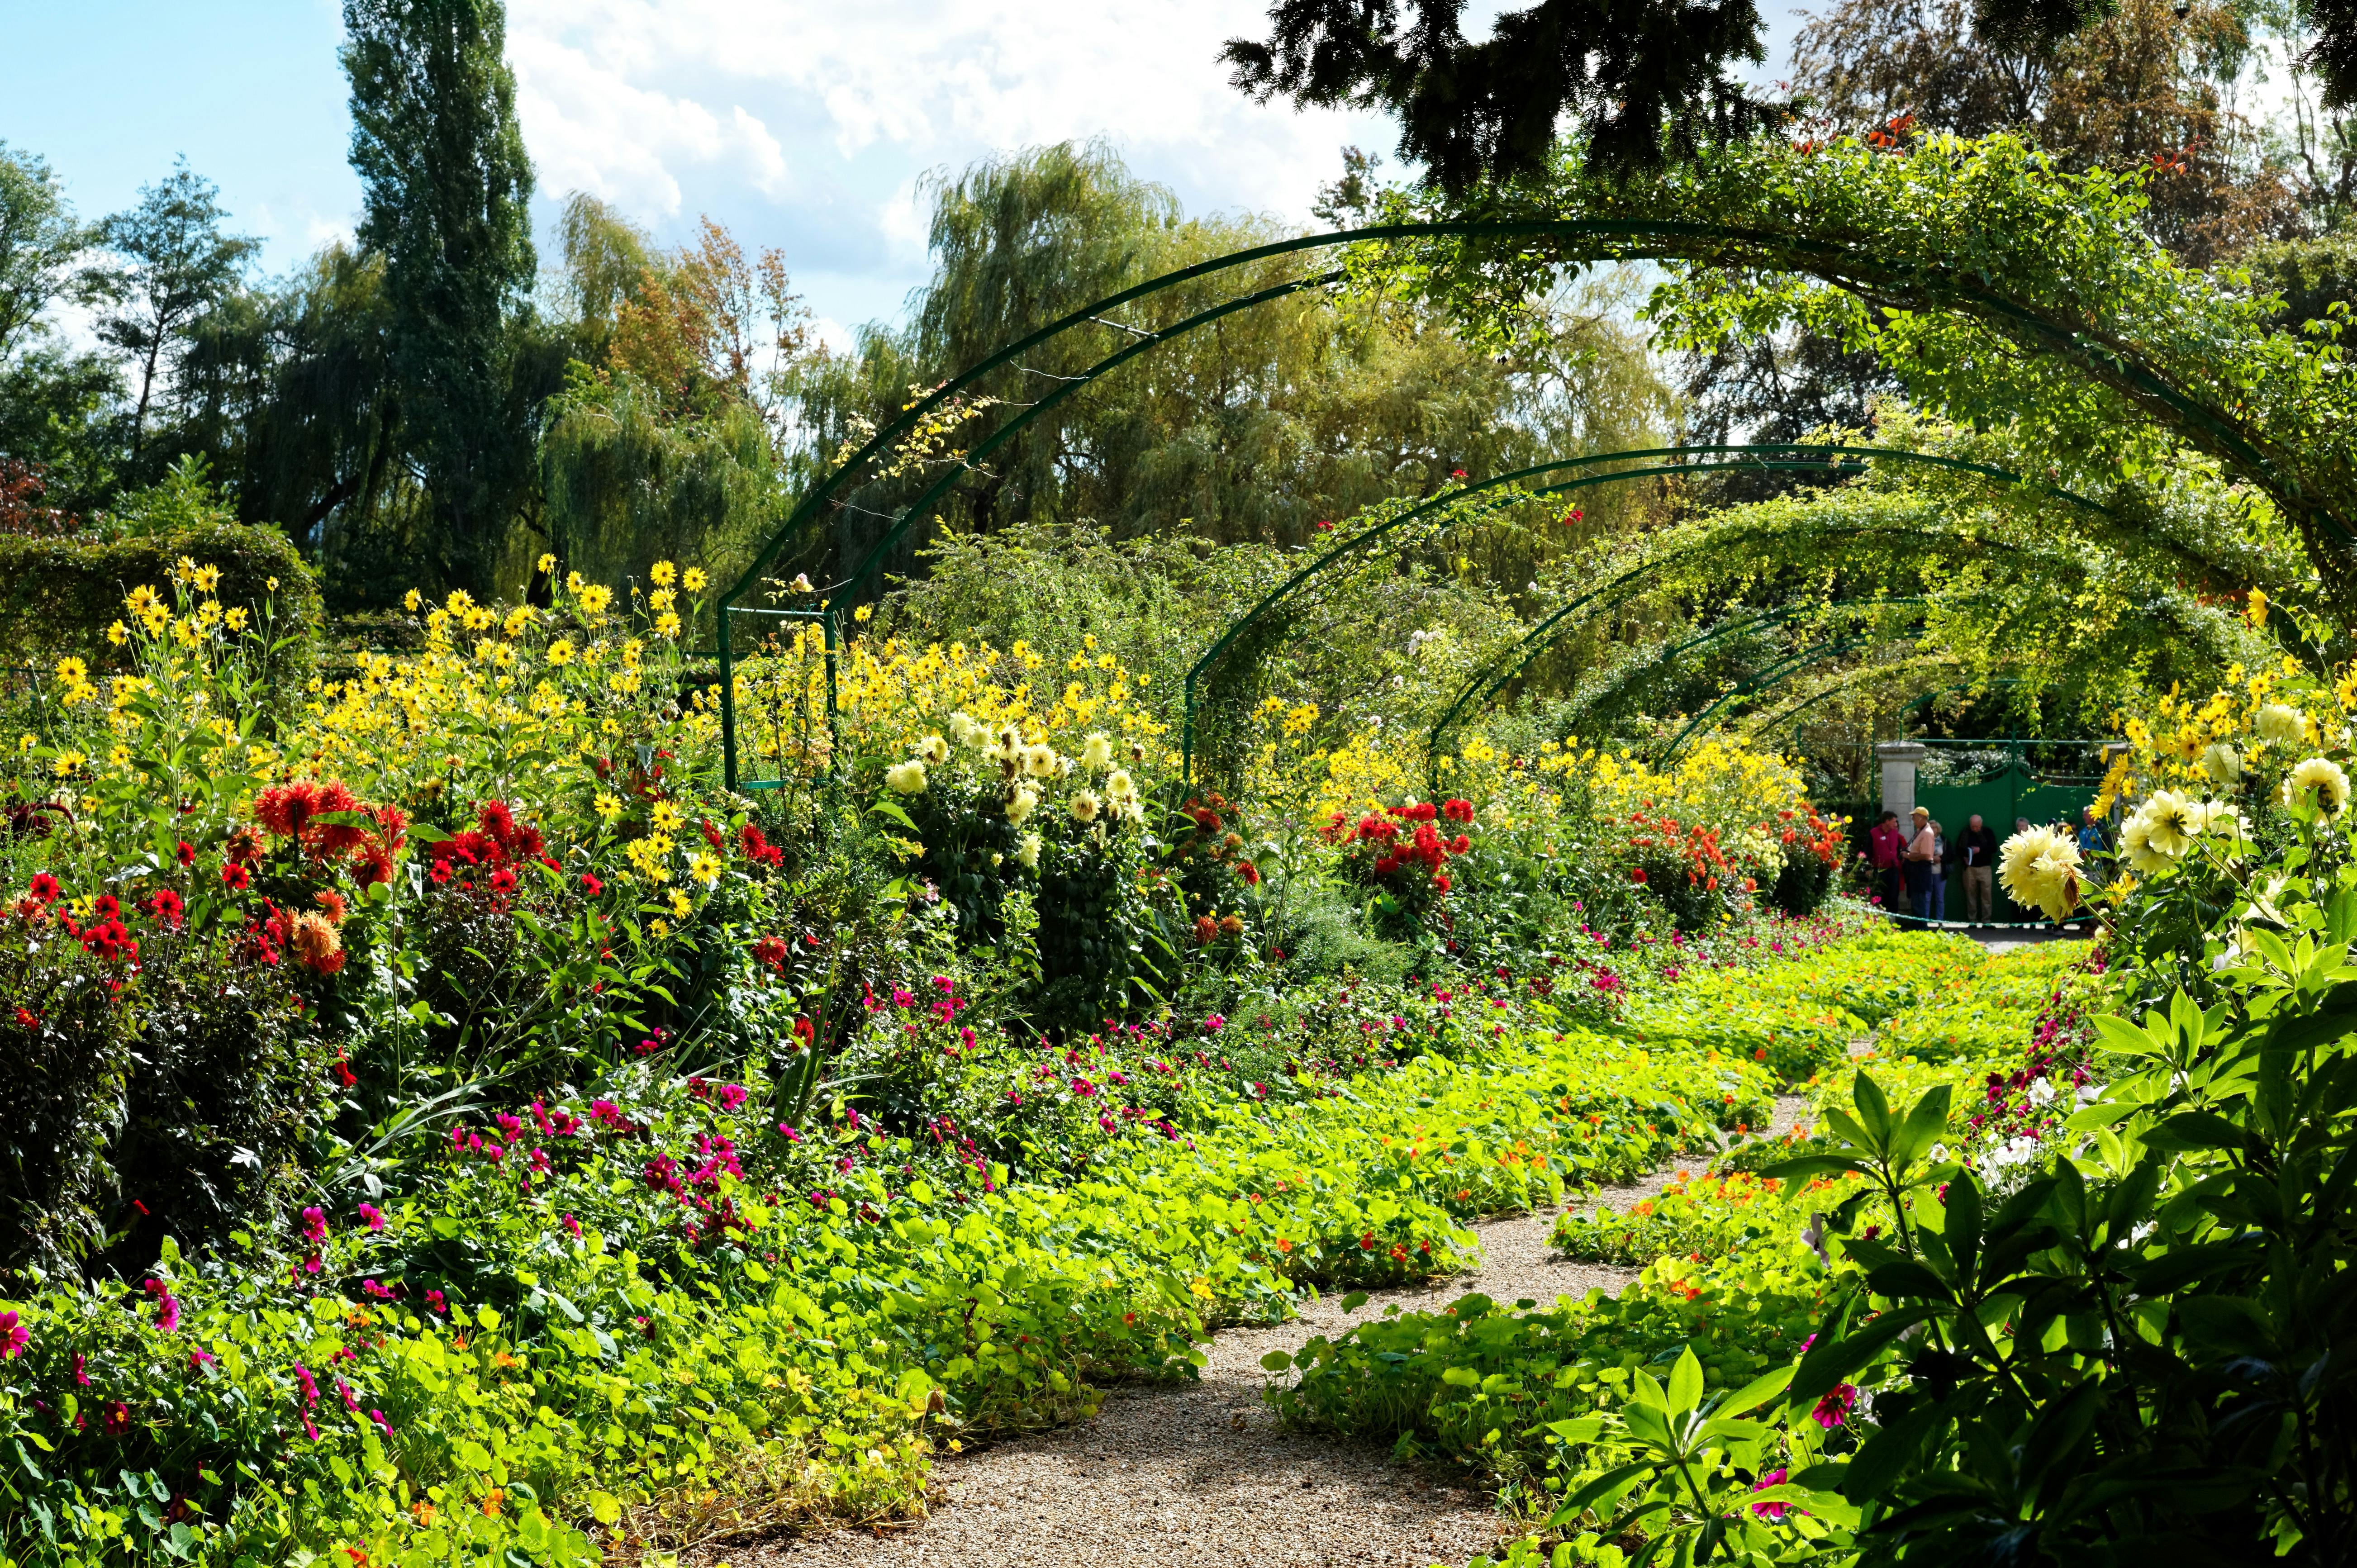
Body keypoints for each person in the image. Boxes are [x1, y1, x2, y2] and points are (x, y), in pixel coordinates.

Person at [1953, 813, 1998, 923]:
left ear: (1981, 824)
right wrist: (1965, 858)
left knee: (1986, 896)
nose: (1975, 829)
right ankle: (1972, 920)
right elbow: (1959, 849)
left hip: (1985, 868)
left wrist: (1980, 850)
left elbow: (1994, 848)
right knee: (1970, 895)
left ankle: (1986, 920)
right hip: (1970, 869)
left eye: (1977, 826)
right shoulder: (1965, 833)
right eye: (1973, 826)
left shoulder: (1988, 832)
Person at [1866, 809, 1906, 916]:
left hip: (1893, 870)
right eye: (1894, 822)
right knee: (1879, 895)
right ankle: (1879, 920)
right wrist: (1868, 869)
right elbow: (1868, 851)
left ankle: (1893, 921)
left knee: (1893, 896)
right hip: (1879, 870)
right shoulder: (1874, 833)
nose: (1896, 824)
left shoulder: (1895, 833)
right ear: (1887, 821)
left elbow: (1898, 848)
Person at [1903, 806, 1938, 923]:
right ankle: (1918, 930)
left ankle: (1921, 930)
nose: (1913, 819)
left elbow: (1926, 855)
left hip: (1921, 870)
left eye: (1914, 817)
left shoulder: (1927, 833)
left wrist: (1908, 856)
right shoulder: (1920, 831)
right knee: (1916, 902)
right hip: (1916, 871)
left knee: (1919, 903)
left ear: (1922, 818)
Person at [1927, 817, 1948, 923]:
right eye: (1931, 828)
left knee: (1940, 899)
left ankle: (1940, 921)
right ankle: (1925, 921)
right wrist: (1932, 859)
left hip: (1940, 873)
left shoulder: (1944, 840)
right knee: (1927, 898)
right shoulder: (1925, 839)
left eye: (1935, 827)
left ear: (1938, 829)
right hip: (1928, 873)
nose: (1933, 829)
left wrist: (1941, 859)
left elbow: (1950, 856)